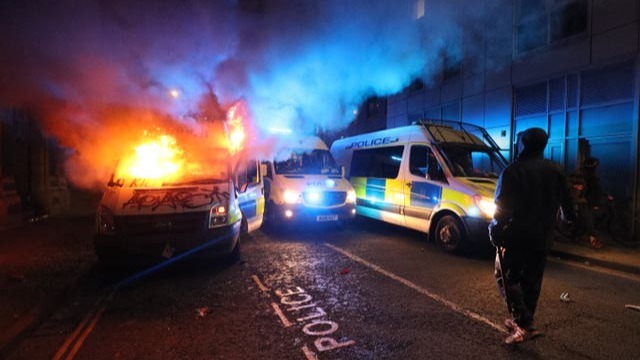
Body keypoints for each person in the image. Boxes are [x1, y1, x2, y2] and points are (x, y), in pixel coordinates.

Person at [488, 127, 575, 345]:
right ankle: (523, 319)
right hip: (543, 236)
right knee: (532, 280)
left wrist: (495, 230)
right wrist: (568, 222)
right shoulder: (556, 170)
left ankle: (523, 323)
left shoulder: (513, 171)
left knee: (506, 277)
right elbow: (568, 207)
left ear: (524, 143)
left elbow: (502, 209)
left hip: (515, 237)